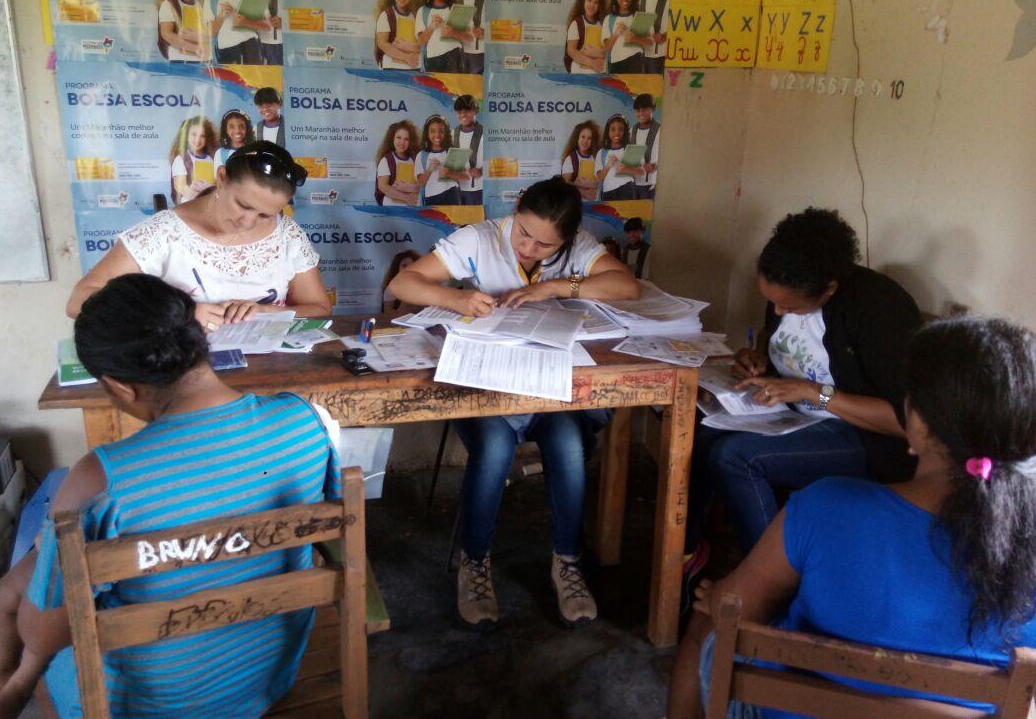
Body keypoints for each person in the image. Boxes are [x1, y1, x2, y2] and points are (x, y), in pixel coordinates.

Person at [0, 274, 345, 718]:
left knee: (26, 601)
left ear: (120, 386)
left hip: (146, 704)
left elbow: (44, 635)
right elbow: (325, 528)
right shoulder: (304, 421)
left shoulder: (100, 477)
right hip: (265, 675)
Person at [668, 317, 1036, 718]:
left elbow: (732, 611)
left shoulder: (824, 507)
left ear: (918, 422)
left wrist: (720, 596)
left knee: (709, 613)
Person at [387, 177, 640, 629]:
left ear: (566, 239)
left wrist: (555, 287)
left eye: (545, 245)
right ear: (517, 207)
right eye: (524, 233)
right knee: (495, 448)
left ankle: (566, 562)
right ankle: (476, 562)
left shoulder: (575, 249)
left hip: (545, 387)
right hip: (488, 387)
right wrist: (457, 296)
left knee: (566, 444)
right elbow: (403, 283)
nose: (529, 248)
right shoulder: (480, 239)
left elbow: (627, 287)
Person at [683, 208, 922, 582]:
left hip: (864, 437)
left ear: (828, 288)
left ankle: (769, 581)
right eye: (773, 303)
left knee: (737, 458)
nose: (778, 311)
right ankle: (688, 548)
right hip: (795, 415)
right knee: (700, 429)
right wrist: (757, 360)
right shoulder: (788, 281)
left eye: (788, 306)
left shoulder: (879, 310)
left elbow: (908, 422)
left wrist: (814, 393)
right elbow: (780, 341)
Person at [67, 142, 331, 330]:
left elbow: (318, 309)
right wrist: (180, 316)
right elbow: (80, 301)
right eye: (243, 205)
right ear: (222, 177)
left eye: (265, 215)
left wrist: (266, 311)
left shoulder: (287, 235)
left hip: (267, 373)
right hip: (180, 375)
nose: (247, 222)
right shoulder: (165, 232)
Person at [416, 0, 464, 73]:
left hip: (454, 58)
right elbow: (420, 42)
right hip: (432, 60)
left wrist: (453, 33)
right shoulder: (423, 11)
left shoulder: (455, 9)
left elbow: (467, 37)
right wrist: (432, 26)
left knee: (453, 89)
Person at [601, 0, 651, 73]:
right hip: (615, 64)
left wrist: (634, 39)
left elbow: (649, 43)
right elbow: (607, 47)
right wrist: (616, 33)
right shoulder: (609, 19)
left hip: (636, 61)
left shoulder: (640, 16)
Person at [374, 0, 421, 70]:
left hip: (412, 68)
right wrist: (406, 57)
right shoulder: (386, 15)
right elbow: (382, 44)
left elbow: (420, 44)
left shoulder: (414, 16)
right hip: (391, 67)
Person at [169, 115, 217, 204]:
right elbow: (181, 186)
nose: (198, 139)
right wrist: (200, 198)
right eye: (194, 134)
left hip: (209, 204)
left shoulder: (211, 159)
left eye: (202, 136)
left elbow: (215, 184)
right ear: (186, 135)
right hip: (189, 206)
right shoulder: (181, 159)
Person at [415, 114, 462, 205]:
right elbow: (420, 183)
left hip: (452, 194)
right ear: (427, 133)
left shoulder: (453, 152)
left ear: (446, 133)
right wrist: (430, 169)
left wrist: (449, 173)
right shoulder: (421, 155)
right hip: (431, 198)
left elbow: (464, 177)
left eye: (441, 131)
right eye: (432, 131)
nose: (437, 135)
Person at [374, 120, 421, 206]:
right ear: (392, 138)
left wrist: (412, 188)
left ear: (410, 142)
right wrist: (406, 198)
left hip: (412, 206)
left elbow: (421, 185)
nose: (402, 142)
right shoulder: (386, 160)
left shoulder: (414, 159)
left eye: (406, 139)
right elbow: (382, 186)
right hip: (392, 207)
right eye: (398, 138)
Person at [594, 114, 639, 201]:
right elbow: (599, 178)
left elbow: (637, 173)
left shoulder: (630, 149)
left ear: (625, 131)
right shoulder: (601, 153)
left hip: (627, 190)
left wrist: (626, 168)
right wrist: (608, 165)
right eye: (613, 129)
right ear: (608, 131)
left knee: (628, 214)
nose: (617, 132)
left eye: (620, 129)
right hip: (608, 192)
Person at [565, 0, 607, 74]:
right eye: (589, 0)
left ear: (600, 5)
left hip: (598, 73)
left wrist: (599, 53)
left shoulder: (603, 23)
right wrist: (592, 63)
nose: (592, 5)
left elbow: (608, 49)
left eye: (596, 2)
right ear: (583, 1)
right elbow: (571, 51)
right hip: (579, 73)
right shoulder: (577, 23)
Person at [452, 94, 484, 205]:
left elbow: (498, 159)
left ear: (476, 111)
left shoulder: (486, 134)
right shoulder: (453, 133)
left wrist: (482, 171)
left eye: (467, 111)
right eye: (459, 112)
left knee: (477, 221)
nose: (463, 115)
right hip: (457, 190)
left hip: (479, 190)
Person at [639, 0, 669, 74]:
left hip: (662, 55)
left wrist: (664, 36)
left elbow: (680, 26)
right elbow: (639, 26)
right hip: (642, 55)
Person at [560, 120, 602, 201]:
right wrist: (584, 190)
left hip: (595, 203)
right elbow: (565, 184)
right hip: (576, 202)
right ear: (577, 138)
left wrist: (592, 184)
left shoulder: (597, 157)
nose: (585, 141)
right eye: (583, 137)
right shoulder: (571, 158)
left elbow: (602, 181)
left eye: (589, 138)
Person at [631, 93, 660, 199]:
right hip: (634, 183)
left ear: (652, 109)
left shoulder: (660, 129)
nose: (641, 113)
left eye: (644, 109)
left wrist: (656, 165)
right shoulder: (632, 130)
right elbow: (630, 157)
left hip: (652, 183)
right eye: (638, 110)